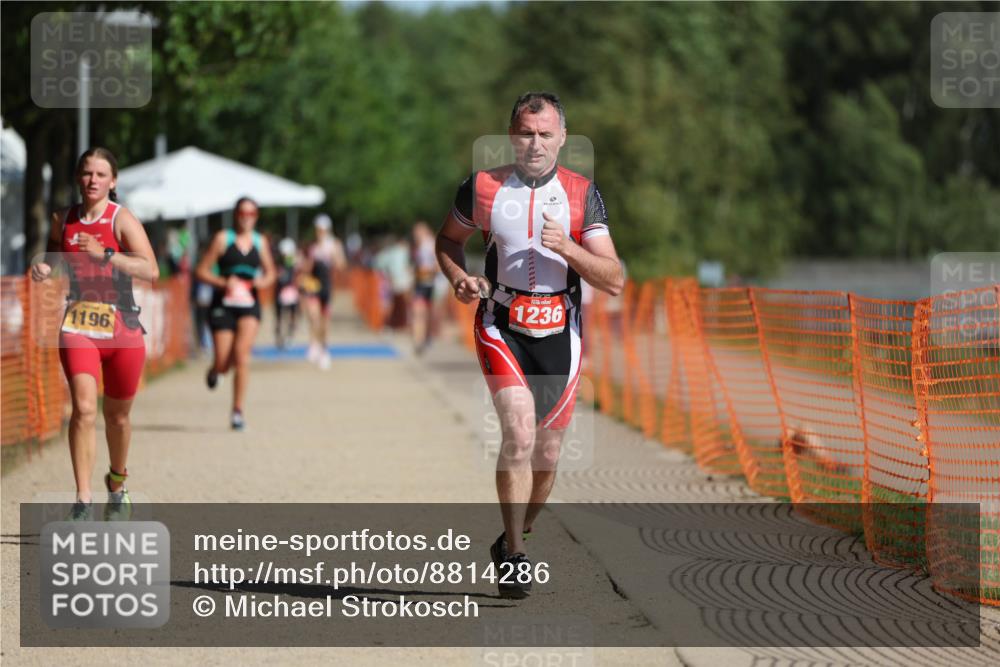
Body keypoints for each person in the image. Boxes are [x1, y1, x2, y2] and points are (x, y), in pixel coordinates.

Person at [436, 92, 624, 598]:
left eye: (545, 134)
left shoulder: (584, 194)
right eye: (525, 133)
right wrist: (459, 277)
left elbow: (614, 279)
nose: (535, 143)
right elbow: (448, 241)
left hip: (562, 330)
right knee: (518, 432)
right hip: (501, 324)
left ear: (562, 137)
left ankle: (516, 534)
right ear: (511, 136)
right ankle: (516, 555)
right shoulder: (482, 187)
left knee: (547, 455)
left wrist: (569, 248)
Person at [31, 147, 159, 521]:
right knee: (84, 410)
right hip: (78, 325)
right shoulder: (63, 219)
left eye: (101, 175)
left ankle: (117, 485)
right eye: (87, 173)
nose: (93, 181)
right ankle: (83, 500)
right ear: (77, 178)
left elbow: (150, 270)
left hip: (123, 327)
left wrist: (106, 254)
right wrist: (43, 268)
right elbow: (54, 258)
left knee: (117, 416)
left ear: (112, 181)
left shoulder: (121, 220)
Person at [195, 197, 276, 430]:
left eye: (251, 214)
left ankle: (237, 411)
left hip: (249, 303)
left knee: (241, 355)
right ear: (236, 215)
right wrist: (222, 281)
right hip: (223, 303)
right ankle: (215, 370)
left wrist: (263, 281)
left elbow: (271, 272)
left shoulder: (260, 242)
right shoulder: (223, 239)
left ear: (256, 216)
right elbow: (201, 270)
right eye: (242, 213)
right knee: (223, 360)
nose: (246, 217)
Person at [299, 214, 346, 370]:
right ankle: (314, 344)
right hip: (314, 285)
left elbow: (341, 265)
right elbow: (307, 267)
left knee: (324, 321)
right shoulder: (312, 246)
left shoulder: (334, 245)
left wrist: (333, 258)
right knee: (313, 316)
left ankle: (324, 348)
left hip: (327, 286)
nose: (320, 232)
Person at [410, 221, 440, 354]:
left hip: (431, 284)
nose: (415, 234)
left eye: (417, 232)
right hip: (420, 284)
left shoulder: (430, 244)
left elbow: (438, 266)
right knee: (418, 312)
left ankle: (426, 337)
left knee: (427, 313)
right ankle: (419, 341)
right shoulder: (418, 245)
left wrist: (425, 271)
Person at [274, 237, 301, 350]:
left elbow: (298, 275)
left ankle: (289, 337)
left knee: (292, 316)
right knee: (280, 317)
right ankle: (280, 338)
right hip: (281, 292)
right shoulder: (278, 262)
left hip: (291, 292)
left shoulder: (293, 262)